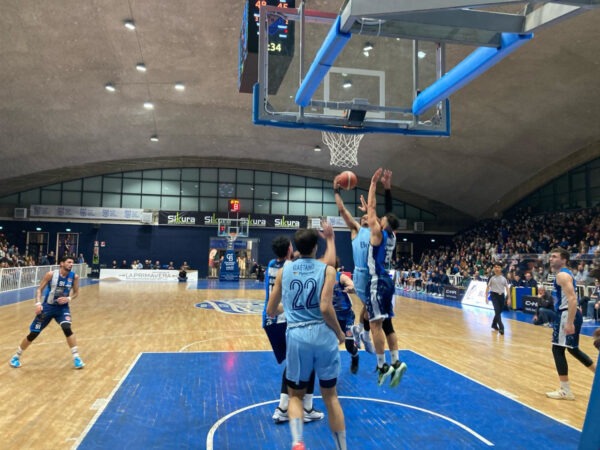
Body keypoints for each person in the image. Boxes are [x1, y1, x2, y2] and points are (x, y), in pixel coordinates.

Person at [267, 228, 346, 450]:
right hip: (323, 336)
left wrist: (291, 308)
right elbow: (325, 307)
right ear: (315, 247)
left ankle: (297, 442)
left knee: (295, 396)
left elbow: (271, 310)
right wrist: (340, 333)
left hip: (298, 337)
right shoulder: (328, 270)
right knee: (331, 397)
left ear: (296, 247)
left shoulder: (285, 270)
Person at [366, 168, 407, 387]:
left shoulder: (377, 233)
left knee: (375, 326)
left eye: (381, 219)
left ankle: (382, 365)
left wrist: (373, 184)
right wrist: (388, 187)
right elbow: (390, 214)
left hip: (377, 280)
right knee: (388, 323)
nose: (378, 219)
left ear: (383, 224)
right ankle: (396, 361)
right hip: (388, 282)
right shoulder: (392, 233)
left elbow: (373, 209)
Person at [9, 255, 85, 369]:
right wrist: (38, 304)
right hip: (47, 307)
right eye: (69, 262)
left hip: (62, 309)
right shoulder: (51, 274)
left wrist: (68, 299)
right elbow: (39, 289)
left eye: (72, 263)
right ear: (62, 263)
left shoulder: (74, 277)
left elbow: (76, 293)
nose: (71, 264)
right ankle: (16, 356)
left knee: (67, 328)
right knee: (33, 333)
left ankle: (76, 358)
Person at [545, 247, 596, 400]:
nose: (551, 259)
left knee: (557, 350)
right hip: (569, 313)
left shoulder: (562, 275)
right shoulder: (565, 274)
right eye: (551, 256)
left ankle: (565, 390)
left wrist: (569, 322)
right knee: (573, 350)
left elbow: (573, 299)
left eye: (554, 256)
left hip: (567, 314)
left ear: (563, 259)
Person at [332, 258, 360, 374]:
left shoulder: (341, 277)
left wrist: (351, 288)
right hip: (333, 317)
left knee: (349, 345)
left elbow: (352, 285)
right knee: (330, 344)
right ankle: (331, 368)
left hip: (347, 315)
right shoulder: (323, 278)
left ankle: (355, 356)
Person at [485, 263, 511, 335]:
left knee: (499, 311)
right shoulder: (491, 278)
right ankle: (501, 327)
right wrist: (486, 297)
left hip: (501, 296)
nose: (496, 268)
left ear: (501, 269)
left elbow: (507, 288)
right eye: (495, 267)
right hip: (494, 296)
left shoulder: (504, 278)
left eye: (498, 267)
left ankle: (494, 324)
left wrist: (509, 298)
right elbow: (487, 287)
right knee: (497, 311)